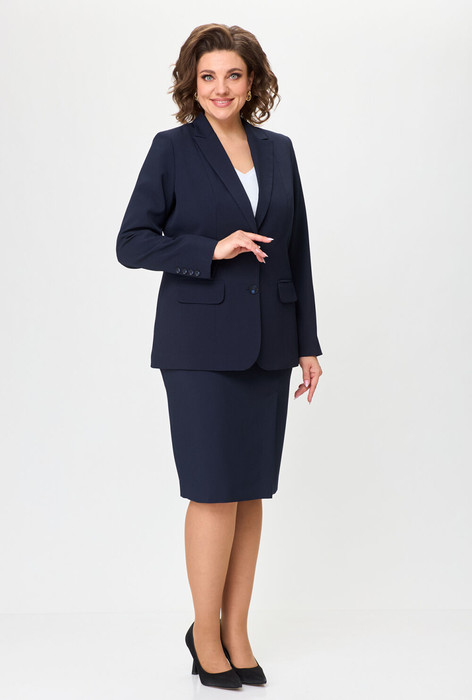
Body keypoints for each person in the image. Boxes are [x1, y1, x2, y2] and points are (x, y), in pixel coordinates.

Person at [116, 23, 323, 689]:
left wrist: (308, 344)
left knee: (251, 489)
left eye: (233, 75)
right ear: (192, 83)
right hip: (199, 346)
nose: (220, 88)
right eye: (208, 77)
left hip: (271, 343)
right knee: (212, 490)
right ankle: (205, 634)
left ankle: (237, 630)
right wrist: (210, 248)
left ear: (252, 80)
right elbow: (132, 241)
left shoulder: (279, 150)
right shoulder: (173, 150)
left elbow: (297, 251)